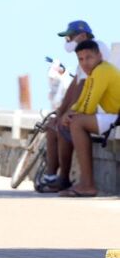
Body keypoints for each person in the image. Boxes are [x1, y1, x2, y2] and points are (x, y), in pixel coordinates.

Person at [40, 20, 111, 192]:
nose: (67, 41)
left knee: (68, 124)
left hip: (103, 109)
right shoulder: (82, 57)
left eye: (70, 37)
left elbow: (83, 87)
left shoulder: (96, 48)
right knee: (53, 125)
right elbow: (75, 86)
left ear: (83, 36)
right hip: (93, 108)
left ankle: (66, 178)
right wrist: (60, 111)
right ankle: (53, 176)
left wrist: (69, 112)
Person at [58, 40, 120, 197]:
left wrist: (71, 116)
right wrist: (69, 113)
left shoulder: (102, 71)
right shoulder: (93, 72)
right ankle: (84, 182)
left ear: (99, 55)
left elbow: (89, 106)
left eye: (89, 57)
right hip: (114, 116)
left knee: (77, 123)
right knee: (75, 121)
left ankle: (87, 184)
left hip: (117, 116)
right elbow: (81, 102)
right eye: (81, 59)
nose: (85, 62)